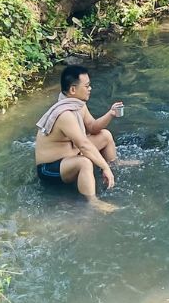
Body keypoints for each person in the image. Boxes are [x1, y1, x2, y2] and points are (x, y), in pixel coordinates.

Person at [35, 65, 134, 212]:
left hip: (70, 155)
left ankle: (114, 164)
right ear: (73, 90)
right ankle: (93, 202)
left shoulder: (79, 105)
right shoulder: (65, 114)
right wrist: (103, 167)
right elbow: (84, 145)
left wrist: (110, 114)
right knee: (84, 162)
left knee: (105, 135)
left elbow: (93, 127)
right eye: (86, 86)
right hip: (50, 168)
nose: (90, 89)